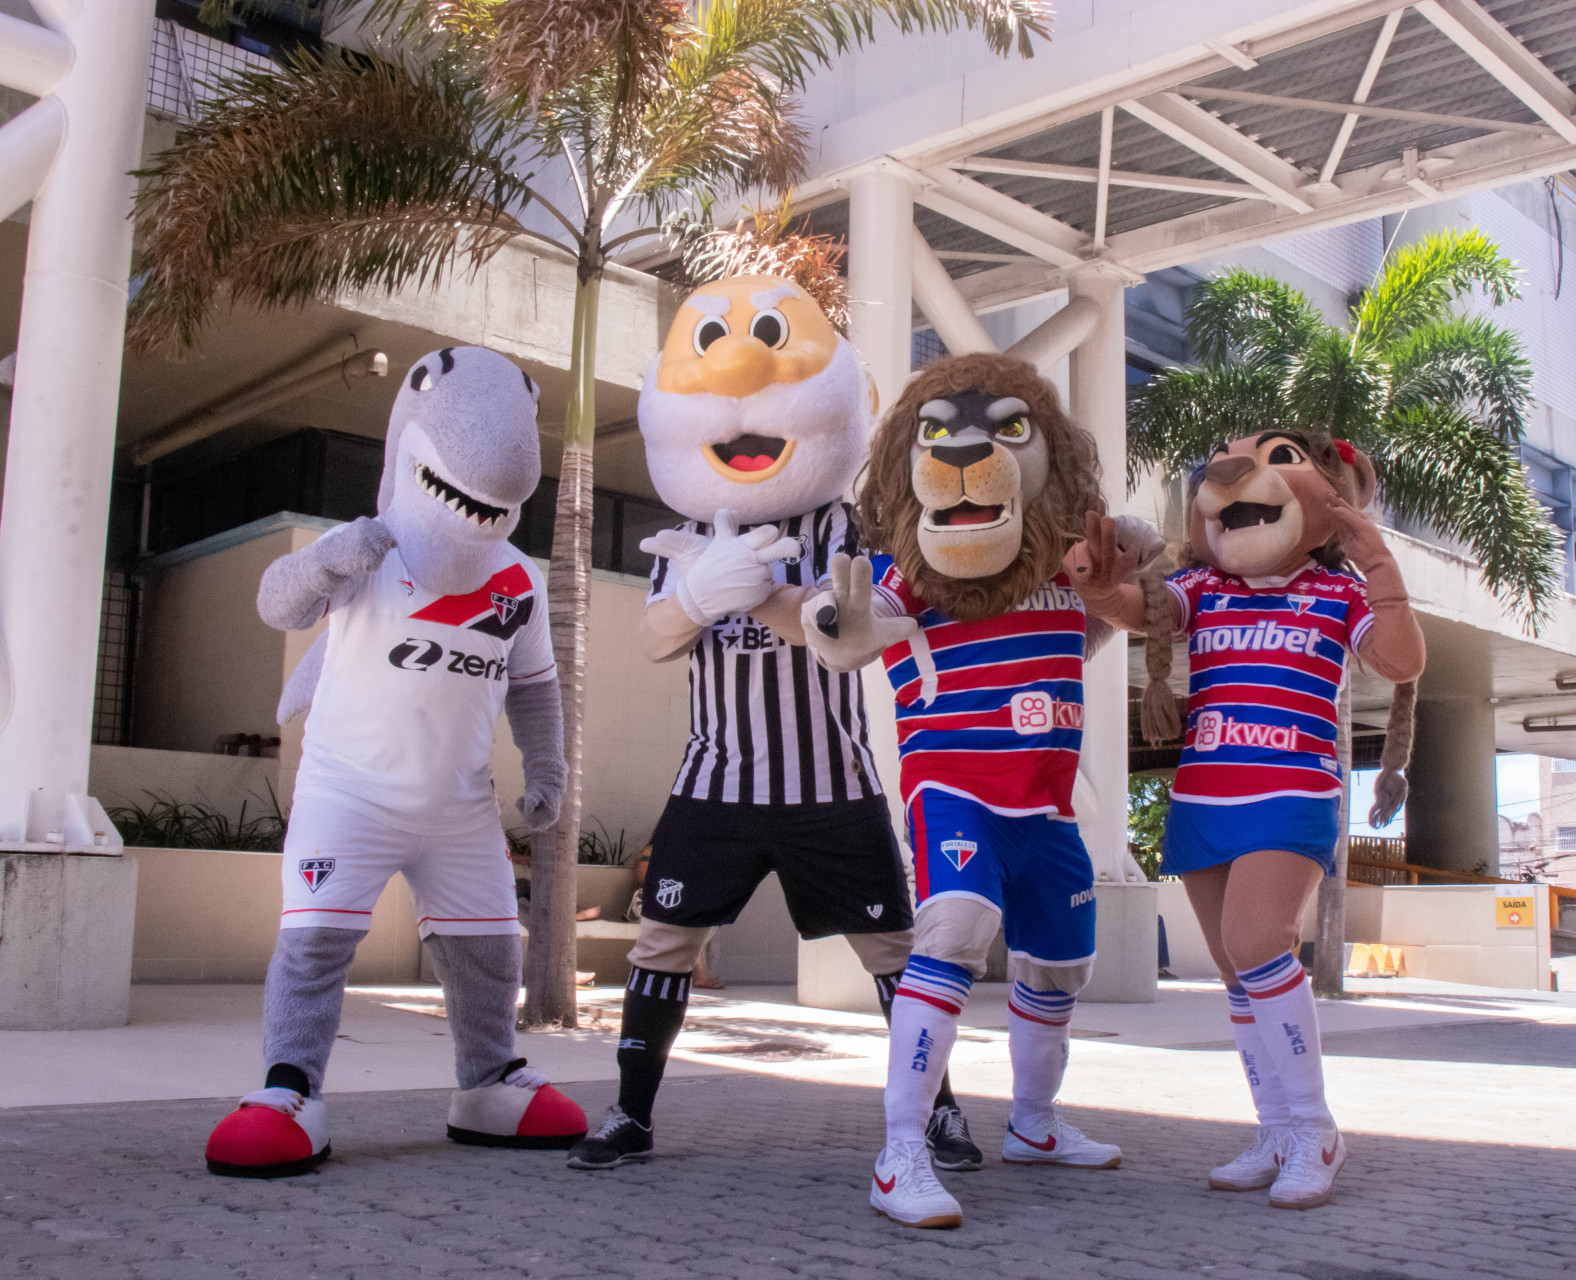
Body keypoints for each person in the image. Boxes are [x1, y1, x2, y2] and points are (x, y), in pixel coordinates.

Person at [566, 274, 978, 1172]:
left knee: (893, 951)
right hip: (714, 780)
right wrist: (696, 596)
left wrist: (754, 591)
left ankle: (940, 1113)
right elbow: (655, 638)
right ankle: (631, 1114)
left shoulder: (843, 526)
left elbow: (841, 634)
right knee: (664, 942)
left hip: (832, 782)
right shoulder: (690, 529)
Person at [204, 347, 587, 1177]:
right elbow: (277, 604)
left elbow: (534, 691)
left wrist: (548, 771)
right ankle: (288, 1087)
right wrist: (320, 562)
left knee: (491, 953)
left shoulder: (519, 581)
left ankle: (488, 1081)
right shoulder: (364, 550)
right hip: (349, 793)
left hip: (461, 806)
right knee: (315, 943)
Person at [804, 353, 1160, 1229]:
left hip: (1046, 806)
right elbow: (855, 630)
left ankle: (1034, 1125)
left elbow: (1112, 597)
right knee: (954, 932)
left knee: (1061, 962)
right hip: (955, 790)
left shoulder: (1062, 574)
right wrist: (837, 623)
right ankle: (901, 1151)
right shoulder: (911, 574)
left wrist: (1120, 553)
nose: (966, 456)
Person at [1068, 430, 1425, 1210]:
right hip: (1203, 797)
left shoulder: (1338, 594)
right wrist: (1098, 585)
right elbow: (1137, 610)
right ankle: (1275, 1128)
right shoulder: (1202, 588)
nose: (1234, 475)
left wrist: (1381, 570)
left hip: (1291, 794)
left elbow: (1402, 662)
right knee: (1237, 972)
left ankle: (1314, 1129)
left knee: (1260, 943)